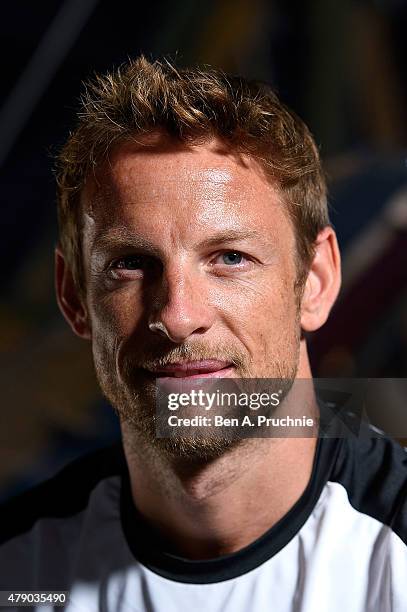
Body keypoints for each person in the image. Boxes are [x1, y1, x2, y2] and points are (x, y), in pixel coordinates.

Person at [0, 56, 406, 612]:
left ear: (314, 282)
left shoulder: (392, 556)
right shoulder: (19, 575)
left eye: (230, 258)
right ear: (74, 297)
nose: (177, 314)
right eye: (131, 263)